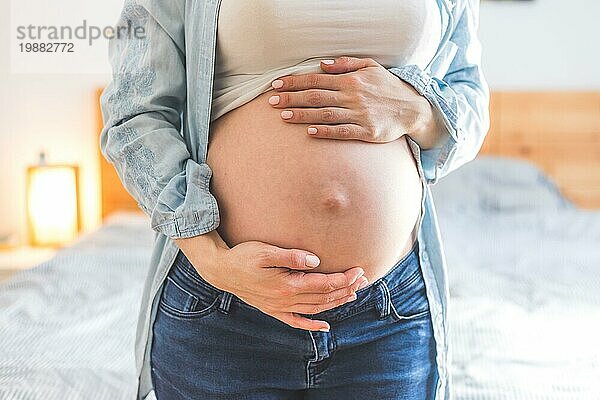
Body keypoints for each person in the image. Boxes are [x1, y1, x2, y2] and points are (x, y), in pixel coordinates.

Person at [99, 0, 489, 399]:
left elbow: (470, 100)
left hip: (387, 316)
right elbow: (134, 113)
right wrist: (213, 262)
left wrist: (417, 112)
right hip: (223, 308)